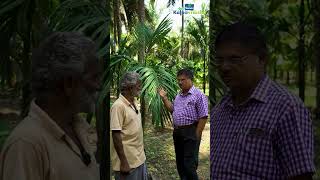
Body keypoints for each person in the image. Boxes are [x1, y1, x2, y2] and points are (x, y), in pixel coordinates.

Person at [210, 22, 315, 179]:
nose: (224, 67)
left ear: (262, 59)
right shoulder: (220, 109)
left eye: (235, 59)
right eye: (220, 60)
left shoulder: (286, 108)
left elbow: (301, 175)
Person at [0, 32, 101, 180]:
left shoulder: (79, 127)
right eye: (94, 77)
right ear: (69, 84)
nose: (98, 86)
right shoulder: (26, 145)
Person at [159, 68, 208, 180]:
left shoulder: (198, 95)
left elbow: (203, 116)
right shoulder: (179, 95)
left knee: (189, 164)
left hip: (190, 132)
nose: (180, 82)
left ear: (190, 79)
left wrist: (196, 135)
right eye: (179, 80)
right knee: (180, 162)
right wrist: (164, 98)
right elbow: (173, 110)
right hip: (177, 132)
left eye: (183, 79)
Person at [110, 72, 147, 180]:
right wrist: (124, 162)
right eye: (138, 85)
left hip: (139, 159)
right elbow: (116, 135)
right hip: (128, 163)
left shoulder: (134, 102)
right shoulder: (118, 106)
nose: (140, 87)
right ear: (130, 88)